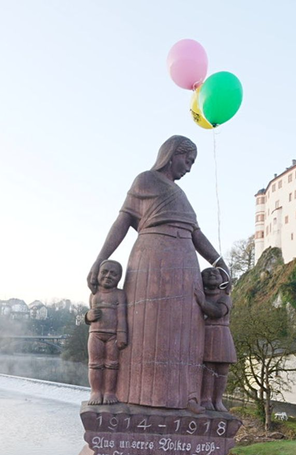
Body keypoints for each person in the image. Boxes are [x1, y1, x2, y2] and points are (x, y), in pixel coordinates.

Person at [87, 135, 229, 411]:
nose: (188, 168)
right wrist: (101, 258)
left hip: (186, 263)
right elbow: (123, 221)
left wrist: (219, 261)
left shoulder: (182, 195)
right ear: (172, 154)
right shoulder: (145, 181)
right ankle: (138, 394)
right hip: (150, 259)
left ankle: (184, 397)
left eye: (192, 163)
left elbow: (196, 234)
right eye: (187, 161)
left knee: (185, 330)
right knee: (145, 328)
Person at [85, 260, 127, 405]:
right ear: (97, 274)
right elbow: (89, 313)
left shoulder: (119, 295)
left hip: (113, 335)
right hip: (95, 334)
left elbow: (122, 316)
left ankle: (109, 392)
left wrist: (122, 333)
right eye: (104, 272)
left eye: (113, 274)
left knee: (112, 364)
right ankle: (96, 391)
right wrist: (88, 316)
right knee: (94, 364)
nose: (108, 276)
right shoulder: (94, 294)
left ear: (119, 278)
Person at [195, 267, 236, 412]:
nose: (212, 274)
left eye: (216, 273)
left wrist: (202, 303)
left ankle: (218, 399)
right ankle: (206, 399)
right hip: (205, 333)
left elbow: (218, 312)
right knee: (207, 367)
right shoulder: (200, 296)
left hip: (221, 332)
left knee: (223, 368)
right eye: (207, 273)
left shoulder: (225, 297)